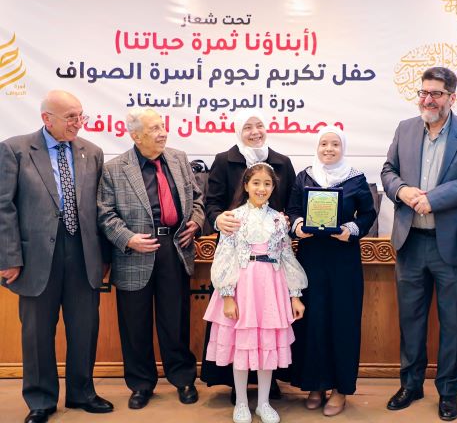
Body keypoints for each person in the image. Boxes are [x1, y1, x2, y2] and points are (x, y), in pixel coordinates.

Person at [380, 66, 457, 421]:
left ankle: (448, 391)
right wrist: (402, 190)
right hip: (410, 242)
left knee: (453, 322)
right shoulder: (405, 128)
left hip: (451, 245)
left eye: (436, 94)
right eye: (423, 92)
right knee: (411, 320)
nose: (428, 99)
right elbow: (387, 171)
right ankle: (410, 385)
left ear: (452, 97)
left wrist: (435, 199)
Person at [0, 90, 113, 423]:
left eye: (81, 115)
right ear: (46, 119)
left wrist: (105, 257)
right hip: (35, 256)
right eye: (71, 117)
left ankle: (82, 393)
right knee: (36, 332)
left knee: (85, 327)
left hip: (83, 252)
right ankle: (40, 400)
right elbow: (4, 206)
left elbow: (101, 209)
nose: (78, 123)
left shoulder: (92, 152)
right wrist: (9, 257)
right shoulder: (15, 149)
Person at [97, 108, 204, 410]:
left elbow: (198, 199)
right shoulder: (115, 168)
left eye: (162, 126)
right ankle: (141, 384)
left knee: (175, 319)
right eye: (154, 128)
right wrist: (128, 238)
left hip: (174, 247)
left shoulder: (179, 158)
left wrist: (196, 222)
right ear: (135, 135)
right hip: (134, 252)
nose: (162, 133)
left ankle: (183, 378)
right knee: (135, 323)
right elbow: (104, 214)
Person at [201, 109, 296, 400]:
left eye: (259, 126)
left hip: (272, 255)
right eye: (248, 127)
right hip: (237, 252)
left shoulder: (282, 162)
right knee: (237, 324)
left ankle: (268, 383)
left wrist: (289, 220)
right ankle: (237, 386)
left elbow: (293, 203)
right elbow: (211, 203)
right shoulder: (223, 160)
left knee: (268, 323)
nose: (255, 132)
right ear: (238, 131)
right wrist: (218, 219)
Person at [203, 162, 307, 423]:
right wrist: (228, 296)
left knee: (267, 346)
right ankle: (240, 402)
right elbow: (224, 256)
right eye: (256, 183)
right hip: (243, 287)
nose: (262, 188)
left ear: (273, 187)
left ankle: (263, 403)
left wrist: (295, 295)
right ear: (246, 185)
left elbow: (286, 256)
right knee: (242, 346)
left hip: (271, 287)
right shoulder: (233, 218)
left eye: (267, 184)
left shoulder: (279, 220)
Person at [287, 126, 377, 417]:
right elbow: (292, 209)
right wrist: (298, 226)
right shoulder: (304, 176)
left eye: (335, 144)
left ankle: (340, 390)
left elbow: (368, 214)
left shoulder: (356, 178)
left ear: (343, 148)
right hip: (311, 258)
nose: (329, 149)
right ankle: (315, 385)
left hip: (343, 260)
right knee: (313, 321)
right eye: (324, 143)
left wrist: (351, 229)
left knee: (342, 322)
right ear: (317, 147)